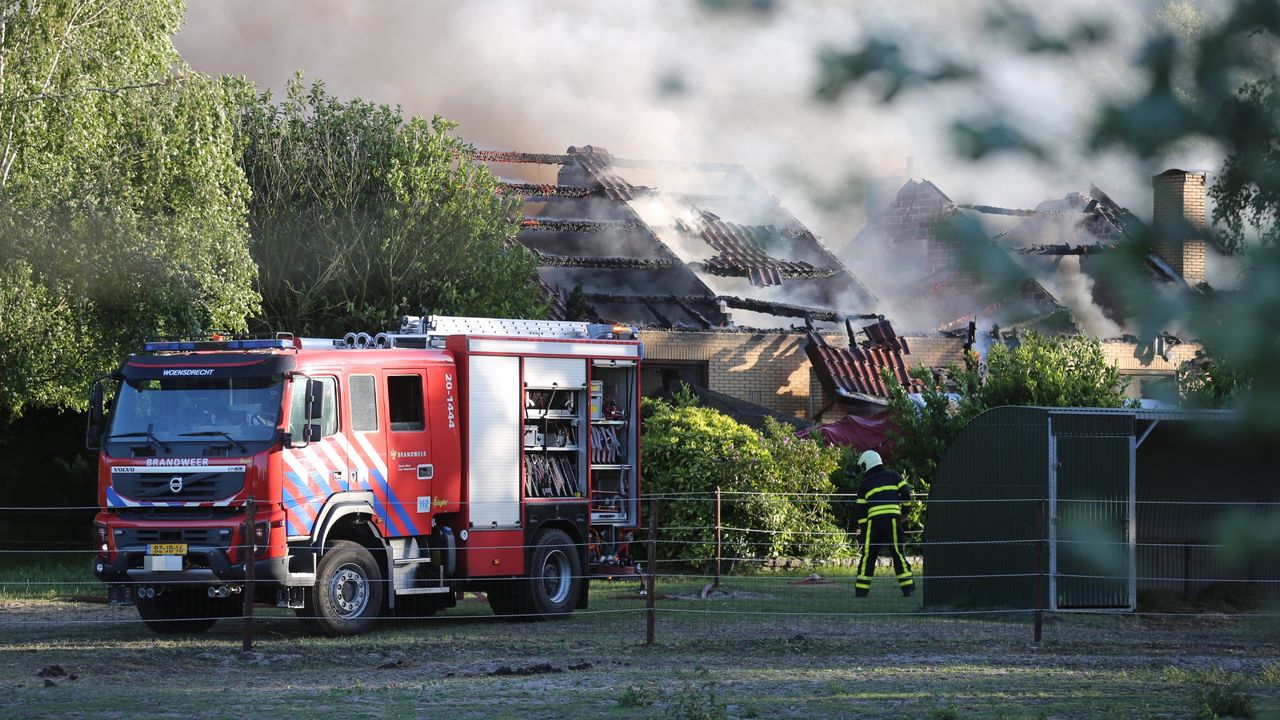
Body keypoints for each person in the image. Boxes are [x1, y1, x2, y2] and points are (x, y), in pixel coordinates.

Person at [853, 450, 915, 598]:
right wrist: (905, 513)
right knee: (897, 553)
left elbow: (860, 509)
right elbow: (906, 493)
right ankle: (907, 589)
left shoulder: (865, 483)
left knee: (868, 555)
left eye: (862, 466)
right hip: (893, 520)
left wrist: (864, 528)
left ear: (867, 464)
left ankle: (861, 591)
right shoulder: (894, 475)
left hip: (874, 523)